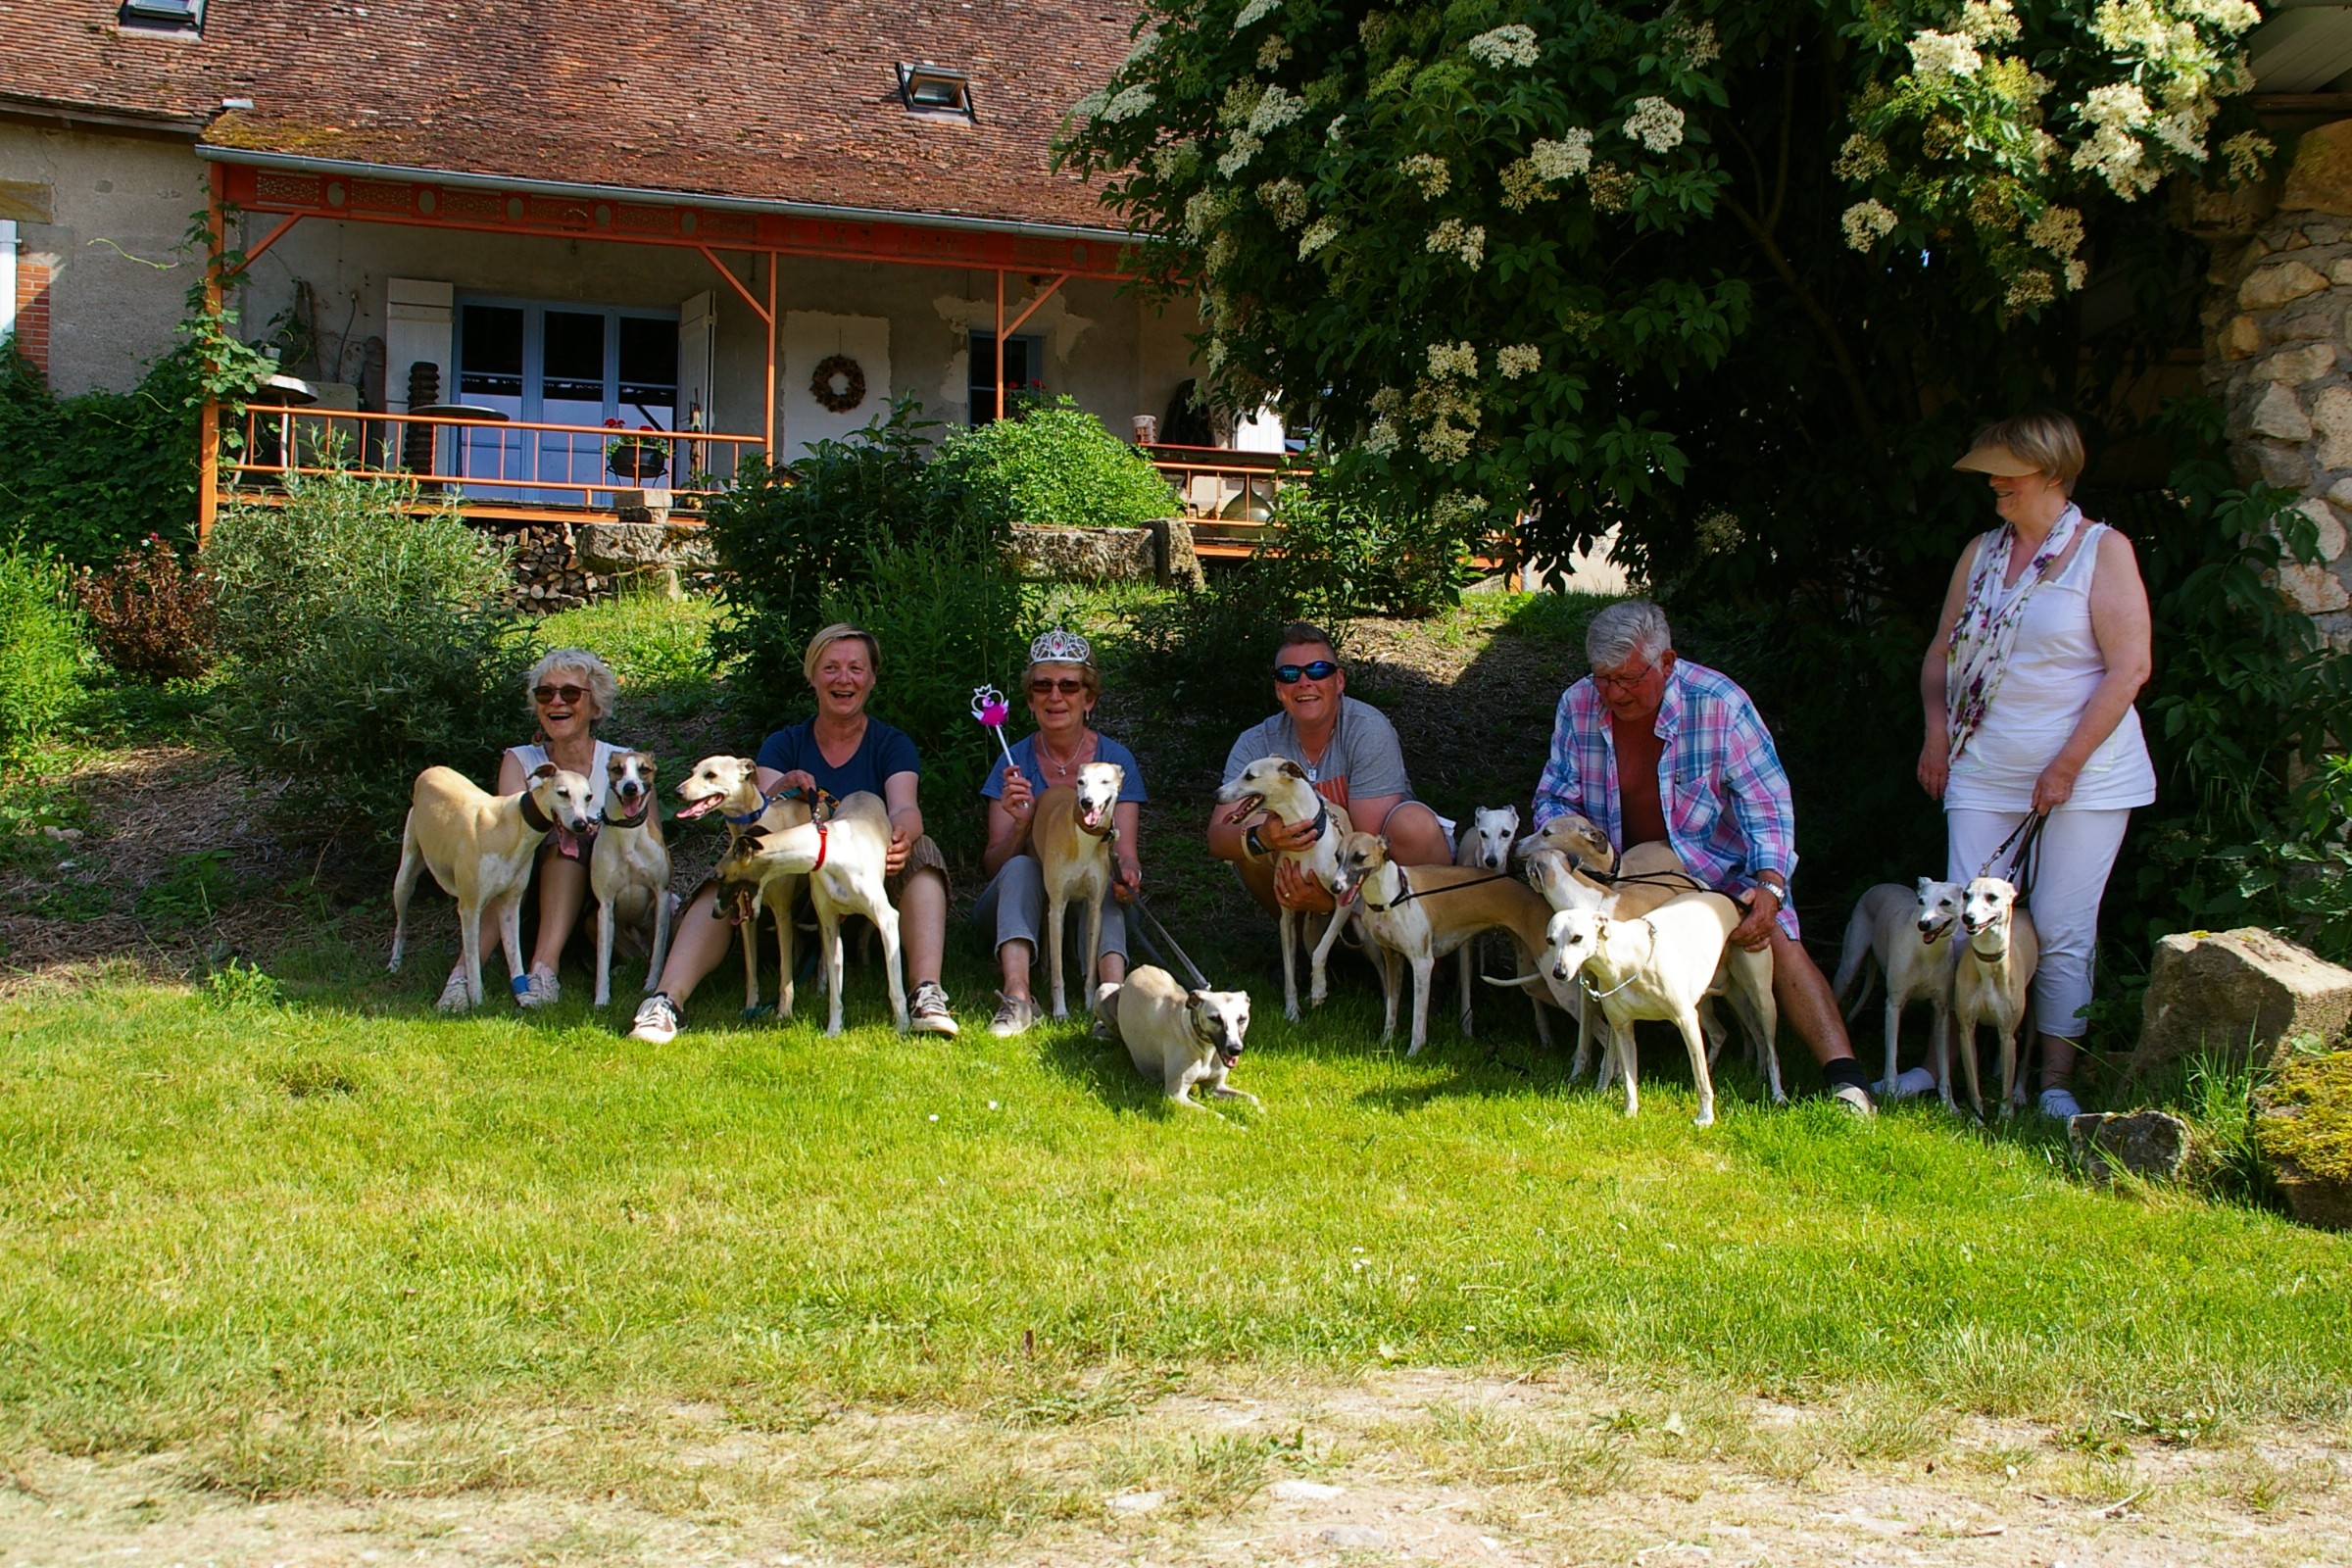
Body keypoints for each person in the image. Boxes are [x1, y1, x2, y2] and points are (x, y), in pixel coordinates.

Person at [1533, 601, 1879, 1114]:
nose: (1615, 692)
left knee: (1776, 935)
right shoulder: (1578, 703)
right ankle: (1592, 1056)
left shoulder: (1719, 702)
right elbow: (1554, 796)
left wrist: (1770, 886)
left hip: (1715, 871)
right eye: (1603, 679)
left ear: (1667, 662)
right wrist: (1565, 847)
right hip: (1620, 872)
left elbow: (1767, 803)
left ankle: (1845, 1080)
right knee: (1561, 905)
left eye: (1629, 678)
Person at [1918, 412, 2155, 1119]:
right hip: (1983, 766)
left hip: (2086, 775)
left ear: (2052, 473)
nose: (1994, 485)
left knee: (2060, 923)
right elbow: (1942, 654)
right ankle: (1942, 1069)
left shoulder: (2101, 551)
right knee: (1959, 912)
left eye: (2008, 473)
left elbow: (2130, 667)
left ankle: (2054, 1080)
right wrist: (1936, 733)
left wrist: (2067, 766)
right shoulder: (1981, 553)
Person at [628, 623, 960, 1042]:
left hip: (866, 876)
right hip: (795, 880)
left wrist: (902, 837)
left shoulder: (891, 743)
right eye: (831, 667)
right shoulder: (784, 744)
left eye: (856, 668)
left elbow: (906, 808)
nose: (844, 678)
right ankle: (665, 1002)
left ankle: (926, 994)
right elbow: (761, 830)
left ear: (872, 678)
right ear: (812, 676)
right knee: (730, 874)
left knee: (924, 854)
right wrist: (780, 789)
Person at [433, 647, 634, 1011]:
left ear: (596, 706)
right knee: (521, 854)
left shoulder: (622, 764)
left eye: (570, 693)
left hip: (605, 887)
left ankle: (543, 969)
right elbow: (508, 834)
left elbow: (645, 843)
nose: (556, 701)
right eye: (546, 693)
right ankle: (463, 975)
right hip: (525, 886)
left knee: (566, 845)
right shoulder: (521, 759)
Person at [969, 627, 1148, 1037]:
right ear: (1030, 701)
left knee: (1107, 879)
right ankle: (1018, 996)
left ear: (1089, 700)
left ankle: (1113, 999)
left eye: (1069, 685)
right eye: (1042, 686)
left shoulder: (1115, 762)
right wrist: (1020, 825)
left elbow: (1128, 853)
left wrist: (1129, 874)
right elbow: (992, 866)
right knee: (1017, 868)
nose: (1055, 696)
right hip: (1025, 903)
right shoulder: (1012, 762)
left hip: (1087, 895)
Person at [1207, 621, 1450, 914]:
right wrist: (1263, 838)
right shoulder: (1255, 743)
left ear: (1339, 681)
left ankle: (1423, 943)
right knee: (1249, 845)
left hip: (1371, 881)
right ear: (1278, 689)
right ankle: (1304, 947)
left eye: (1319, 669)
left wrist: (1329, 903)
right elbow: (1218, 837)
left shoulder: (1368, 730)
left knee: (1415, 825)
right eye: (1289, 674)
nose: (1304, 682)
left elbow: (1364, 844)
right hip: (1303, 873)